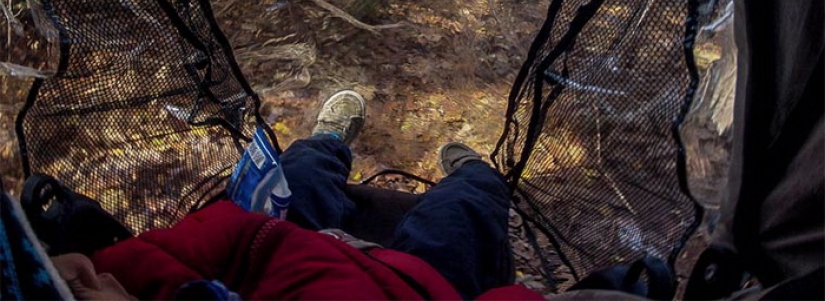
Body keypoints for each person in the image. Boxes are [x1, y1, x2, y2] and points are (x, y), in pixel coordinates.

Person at [46, 90, 543, 300]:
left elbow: (172, 255)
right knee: (469, 204)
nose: (88, 279)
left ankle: (329, 141)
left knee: (301, 169)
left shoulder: (154, 288)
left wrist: (118, 263)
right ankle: (477, 171)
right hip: (430, 285)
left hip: (286, 243)